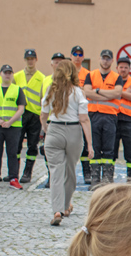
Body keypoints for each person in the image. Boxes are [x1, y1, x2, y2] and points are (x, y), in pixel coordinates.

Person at [40, 60, 94, 226]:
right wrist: (90, 145)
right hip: (73, 132)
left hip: (54, 129)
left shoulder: (51, 90)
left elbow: (43, 115)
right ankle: (64, 207)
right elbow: (84, 119)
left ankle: (57, 210)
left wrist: (47, 130)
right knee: (70, 172)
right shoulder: (78, 92)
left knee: (56, 172)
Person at [83, 49, 123, 188]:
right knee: (95, 148)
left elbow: (117, 93)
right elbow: (86, 92)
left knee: (108, 149)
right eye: (103, 58)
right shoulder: (91, 75)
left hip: (110, 116)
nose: (105, 61)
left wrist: (98, 91)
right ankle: (95, 180)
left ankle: (106, 180)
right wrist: (107, 95)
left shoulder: (116, 77)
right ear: (100, 59)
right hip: (93, 115)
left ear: (112, 61)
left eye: (108, 58)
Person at [0, 64, 25, 190]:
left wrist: (10, 121)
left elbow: (21, 108)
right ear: (0, 74)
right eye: (5, 72)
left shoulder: (17, 89)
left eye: (9, 73)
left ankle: (13, 178)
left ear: (12, 75)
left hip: (13, 126)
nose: (7, 75)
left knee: (12, 152)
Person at [14, 49, 46, 183]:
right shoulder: (17, 76)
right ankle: (14, 172)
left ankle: (27, 172)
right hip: (20, 114)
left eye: (32, 58)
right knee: (16, 145)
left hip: (35, 115)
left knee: (32, 145)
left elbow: (44, 98)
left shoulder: (42, 78)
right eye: (28, 59)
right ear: (25, 60)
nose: (30, 61)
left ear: (36, 60)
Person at [37, 52, 67, 188]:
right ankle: (51, 176)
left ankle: (63, 177)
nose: (58, 64)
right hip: (50, 122)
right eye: (56, 62)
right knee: (48, 151)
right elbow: (42, 101)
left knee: (64, 152)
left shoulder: (69, 80)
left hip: (65, 122)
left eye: (61, 62)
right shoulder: (45, 80)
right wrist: (43, 122)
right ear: (51, 64)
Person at [113, 56, 131, 183]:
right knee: (111, 150)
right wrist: (126, 93)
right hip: (113, 118)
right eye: (121, 67)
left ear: (129, 69)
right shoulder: (112, 80)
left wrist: (119, 92)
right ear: (117, 68)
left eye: (126, 67)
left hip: (129, 120)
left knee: (130, 151)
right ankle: (109, 177)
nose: (123, 69)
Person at [71, 45, 92, 183]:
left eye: (80, 54)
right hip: (70, 111)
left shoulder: (87, 74)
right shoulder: (68, 71)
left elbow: (88, 92)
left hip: (83, 110)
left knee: (85, 145)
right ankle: (69, 173)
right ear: (71, 56)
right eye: (75, 54)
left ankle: (87, 172)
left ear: (83, 57)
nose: (78, 56)